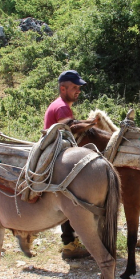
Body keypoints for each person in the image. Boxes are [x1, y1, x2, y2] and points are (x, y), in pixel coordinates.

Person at [44, 70, 92, 260]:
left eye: (79, 87)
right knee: (72, 198)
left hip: (54, 156)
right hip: (58, 159)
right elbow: (71, 131)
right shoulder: (62, 108)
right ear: (62, 88)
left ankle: (70, 243)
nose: (77, 91)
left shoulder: (60, 105)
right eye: (74, 87)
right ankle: (70, 244)